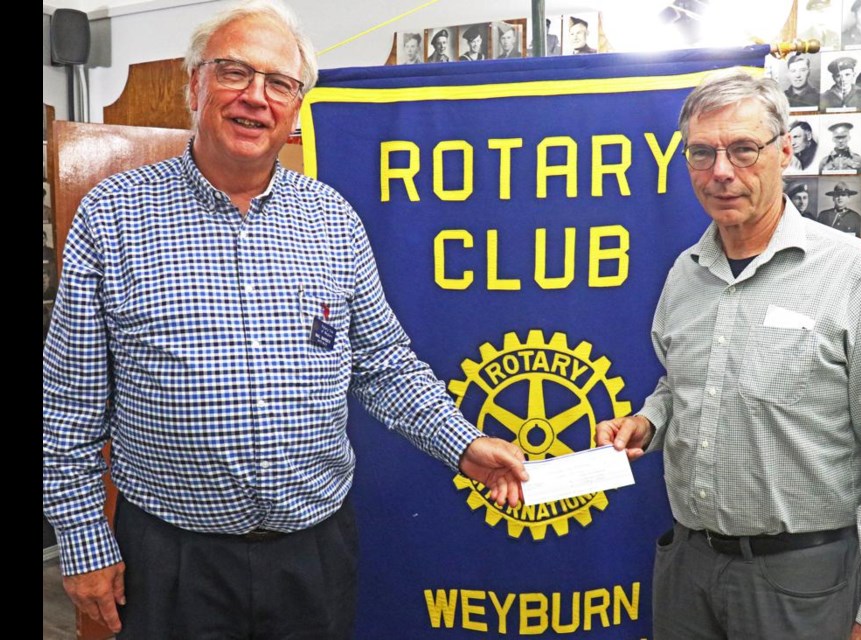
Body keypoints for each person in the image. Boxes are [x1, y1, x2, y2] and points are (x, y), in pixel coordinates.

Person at [42, 2, 528, 638]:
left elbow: (383, 365)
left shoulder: (333, 220)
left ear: (297, 107)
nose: (255, 98)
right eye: (234, 73)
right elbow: (67, 407)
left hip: (313, 555)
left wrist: (463, 444)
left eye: (279, 83)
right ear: (194, 85)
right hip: (170, 559)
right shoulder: (113, 216)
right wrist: (82, 544)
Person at [597, 70, 861, 640]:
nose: (721, 171)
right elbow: (681, 382)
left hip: (804, 580)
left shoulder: (855, 273)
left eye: (743, 149)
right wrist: (648, 421)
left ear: (785, 150)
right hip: (688, 572)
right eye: (702, 153)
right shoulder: (686, 273)